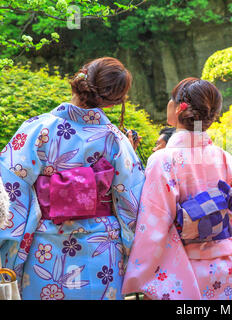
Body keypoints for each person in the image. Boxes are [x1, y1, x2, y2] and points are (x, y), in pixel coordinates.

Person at [0, 57, 145, 300]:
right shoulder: (115, 140)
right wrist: (135, 255)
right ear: (113, 103)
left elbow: (9, 189)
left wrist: (8, 245)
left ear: (78, 82)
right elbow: (133, 203)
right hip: (103, 251)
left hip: (46, 247)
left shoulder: (37, 129)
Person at [122, 77, 232, 300]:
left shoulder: (163, 160)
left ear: (178, 108)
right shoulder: (225, 158)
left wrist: (141, 272)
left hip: (184, 271)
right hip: (227, 263)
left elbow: (154, 225)